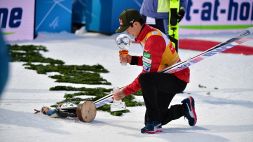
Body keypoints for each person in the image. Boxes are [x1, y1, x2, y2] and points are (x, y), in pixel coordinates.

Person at [113, 9, 197, 134]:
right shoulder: (145, 35)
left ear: (135, 24)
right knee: (152, 118)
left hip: (177, 78)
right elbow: (154, 60)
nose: (127, 32)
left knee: (145, 79)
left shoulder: (153, 39)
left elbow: (147, 74)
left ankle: (155, 122)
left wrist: (125, 91)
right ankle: (184, 108)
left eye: (127, 28)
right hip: (165, 76)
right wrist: (133, 59)